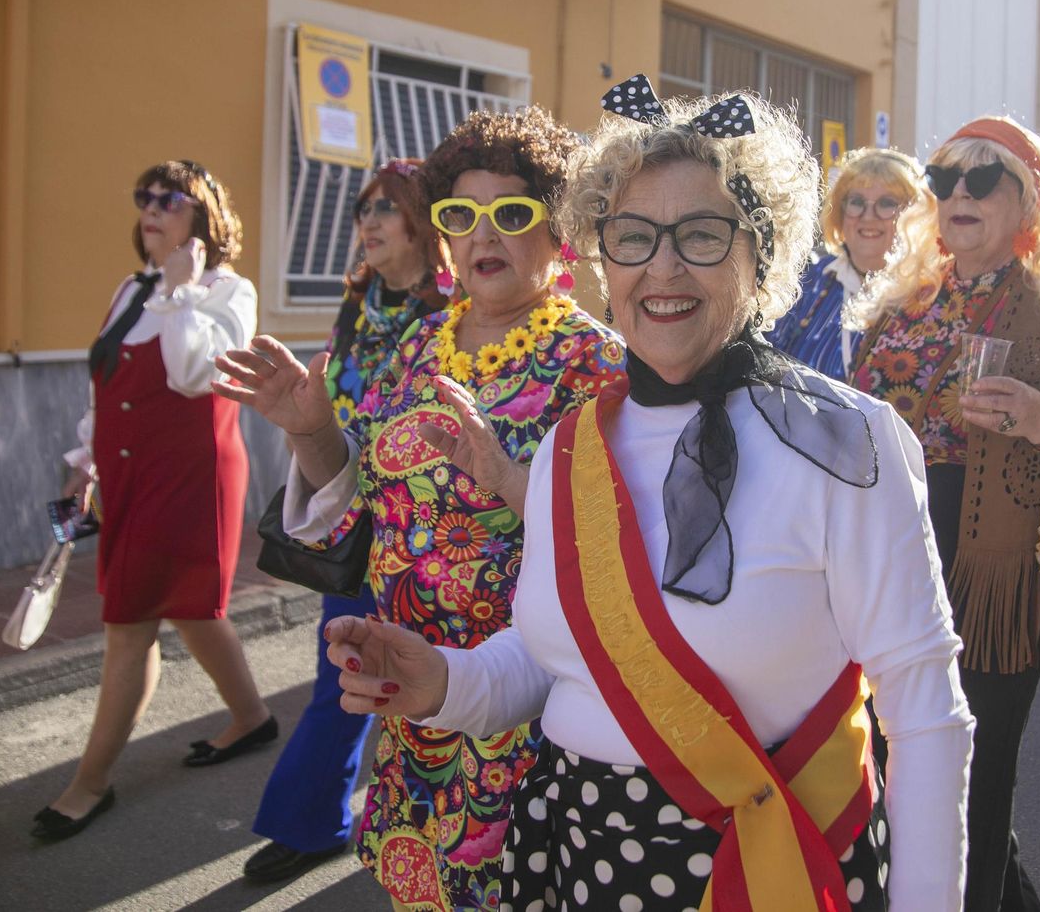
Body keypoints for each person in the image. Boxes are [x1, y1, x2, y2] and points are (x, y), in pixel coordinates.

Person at [322, 77, 975, 911]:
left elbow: (925, 715)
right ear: (603, 257)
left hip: (775, 865)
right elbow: (553, 659)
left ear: (760, 253)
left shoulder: (847, 440)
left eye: (702, 235)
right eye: (633, 237)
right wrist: (443, 683)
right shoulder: (570, 442)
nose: (662, 268)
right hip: (579, 861)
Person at [216, 108, 626, 909]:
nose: (484, 235)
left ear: (561, 232)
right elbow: (355, 497)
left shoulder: (597, 363)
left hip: (530, 700)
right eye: (459, 215)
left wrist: (510, 479)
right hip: (413, 693)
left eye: (512, 214)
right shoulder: (419, 344)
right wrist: (313, 434)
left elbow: (615, 547)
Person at [851, 115, 1040, 910]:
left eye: (983, 181)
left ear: (1030, 203)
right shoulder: (897, 309)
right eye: (946, 180)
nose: (959, 195)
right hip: (893, 566)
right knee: (895, 764)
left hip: (993, 579)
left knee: (972, 785)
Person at [34, 160, 271, 842]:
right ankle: (254, 718)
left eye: (171, 199)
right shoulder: (130, 287)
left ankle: (89, 784)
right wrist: (87, 459)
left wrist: (183, 292)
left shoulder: (229, 290)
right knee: (191, 611)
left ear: (204, 217)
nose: (152, 208)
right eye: (145, 196)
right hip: (130, 475)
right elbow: (105, 384)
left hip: (190, 475)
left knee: (131, 620)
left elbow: (199, 375)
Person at [243, 159, 451, 884]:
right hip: (358, 520)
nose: (366, 221)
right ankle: (313, 822)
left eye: (385, 208)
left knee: (434, 690)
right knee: (345, 672)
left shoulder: (453, 307)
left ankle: (439, 838)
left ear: (422, 223)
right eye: (363, 208)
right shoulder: (360, 304)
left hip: (431, 531)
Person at [766, 147, 930, 379]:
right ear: (840, 213)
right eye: (856, 201)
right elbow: (767, 360)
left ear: (914, 213)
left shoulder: (928, 293)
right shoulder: (807, 280)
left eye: (887, 203)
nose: (868, 215)